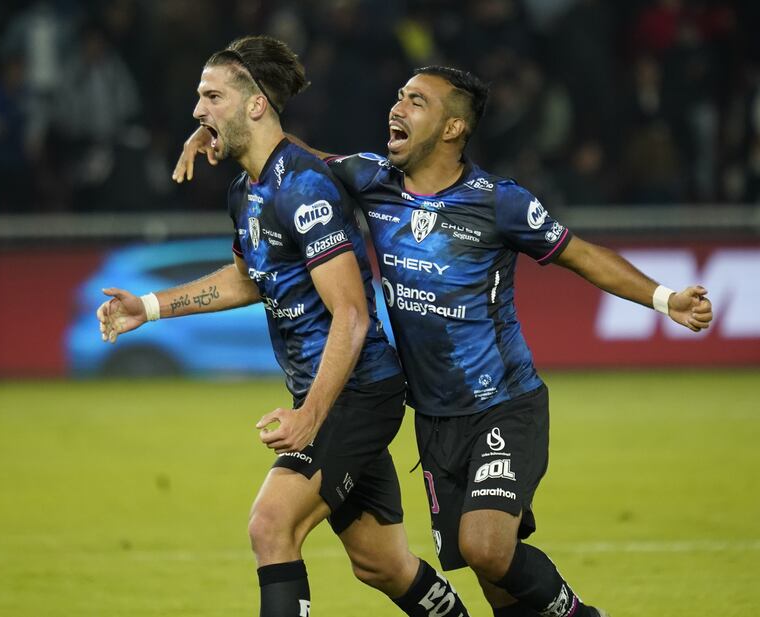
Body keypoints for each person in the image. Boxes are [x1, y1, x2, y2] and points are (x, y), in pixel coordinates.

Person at [174, 59, 714, 617]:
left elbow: (581, 255)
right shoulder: (370, 179)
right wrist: (216, 126)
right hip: (434, 420)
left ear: (452, 128)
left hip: (504, 405)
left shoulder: (499, 202)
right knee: (494, 579)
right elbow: (286, 155)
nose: (397, 108)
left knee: (486, 545)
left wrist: (663, 298)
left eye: (416, 102)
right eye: (400, 96)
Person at [98, 37, 472, 617]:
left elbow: (352, 313)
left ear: (254, 106)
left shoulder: (303, 189)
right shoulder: (247, 191)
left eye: (212, 96)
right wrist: (147, 307)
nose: (197, 111)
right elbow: (250, 279)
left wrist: (309, 416)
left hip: (357, 393)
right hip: (328, 392)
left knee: (271, 526)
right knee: (381, 563)